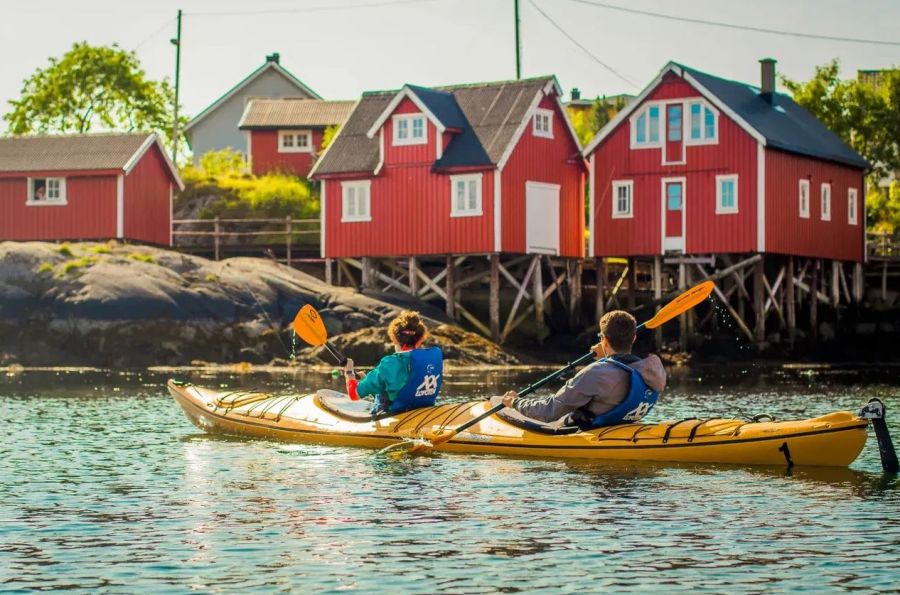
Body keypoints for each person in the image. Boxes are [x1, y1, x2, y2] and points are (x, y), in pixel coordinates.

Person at [500, 310, 666, 428]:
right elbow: (620, 373)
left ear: (604, 340)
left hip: (593, 432)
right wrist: (607, 356)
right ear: (634, 338)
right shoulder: (652, 370)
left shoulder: (595, 373)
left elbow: (549, 411)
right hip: (625, 426)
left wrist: (516, 402)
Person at [342, 310, 443, 415]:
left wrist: (349, 372)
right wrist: (366, 380)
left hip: (396, 415)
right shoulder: (432, 359)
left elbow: (353, 394)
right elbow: (406, 388)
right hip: (423, 413)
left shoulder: (390, 364)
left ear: (395, 339)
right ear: (419, 341)